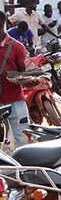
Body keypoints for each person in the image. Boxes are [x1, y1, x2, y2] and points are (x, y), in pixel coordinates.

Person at [0, 11, 30, 149]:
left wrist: (19, 78)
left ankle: (25, 169)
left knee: (23, 138)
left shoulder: (17, 46)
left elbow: (22, 72)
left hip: (15, 100)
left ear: (1, 25)